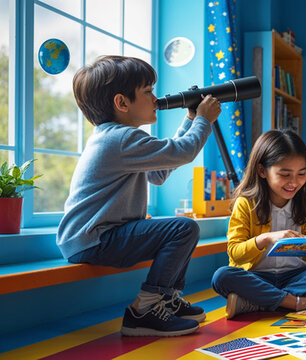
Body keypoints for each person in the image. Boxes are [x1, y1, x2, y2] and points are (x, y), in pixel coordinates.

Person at [57, 55, 220, 336]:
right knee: (184, 228)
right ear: (121, 103)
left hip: (92, 237)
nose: (155, 99)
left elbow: (159, 173)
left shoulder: (117, 137)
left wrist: (191, 118)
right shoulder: (121, 138)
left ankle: (165, 298)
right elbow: (183, 151)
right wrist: (204, 121)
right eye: (147, 92)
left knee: (178, 230)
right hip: (96, 238)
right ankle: (144, 309)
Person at [211, 129, 306, 320]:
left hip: (296, 276)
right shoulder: (246, 203)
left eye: (301, 174)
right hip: (257, 277)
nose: (294, 182)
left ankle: (257, 301)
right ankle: (298, 303)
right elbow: (235, 252)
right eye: (285, 174)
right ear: (262, 171)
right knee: (222, 276)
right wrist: (265, 238)